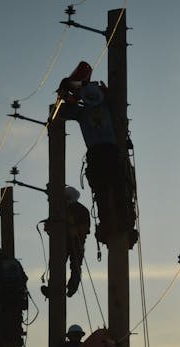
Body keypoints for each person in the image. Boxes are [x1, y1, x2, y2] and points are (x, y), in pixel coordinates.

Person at [58, 65, 138, 248]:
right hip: (105, 153)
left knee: (110, 191)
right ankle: (116, 225)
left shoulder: (88, 106)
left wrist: (69, 95)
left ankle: (117, 225)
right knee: (111, 191)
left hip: (101, 153)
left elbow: (68, 109)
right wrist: (68, 96)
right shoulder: (96, 107)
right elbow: (63, 111)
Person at [42, 186, 91, 297]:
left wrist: (74, 230)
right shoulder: (61, 209)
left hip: (76, 242)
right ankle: (53, 288)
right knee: (56, 264)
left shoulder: (81, 210)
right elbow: (50, 226)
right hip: (62, 242)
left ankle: (72, 287)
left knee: (75, 265)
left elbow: (85, 229)